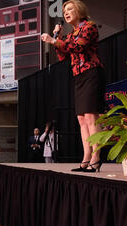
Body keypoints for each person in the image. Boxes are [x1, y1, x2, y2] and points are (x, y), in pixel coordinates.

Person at [41, 0, 105, 172]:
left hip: (91, 73)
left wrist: (54, 42)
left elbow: (77, 47)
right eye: (64, 11)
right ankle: (86, 157)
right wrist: (57, 37)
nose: (66, 13)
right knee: (81, 119)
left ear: (79, 10)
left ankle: (96, 157)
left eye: (70, 9)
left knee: (91, 117)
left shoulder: (89, 27)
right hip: (78, 76)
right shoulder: (71, 34)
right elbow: (63, 56)